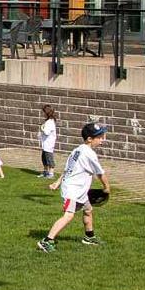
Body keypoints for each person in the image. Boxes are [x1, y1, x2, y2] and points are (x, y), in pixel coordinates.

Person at [37, 123, 112, 252]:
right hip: (72, 190)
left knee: (88, 210)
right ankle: (47, 240)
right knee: (69, 215)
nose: (102, 140)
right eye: (99, 137)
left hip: (79, 190)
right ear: (89, 139)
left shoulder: (77, 150)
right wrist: (107, 187)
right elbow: (100, 174)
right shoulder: (89, 154)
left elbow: (68, 169)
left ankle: (89, 237)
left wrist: (57, 182)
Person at [39, 105, 59, 179]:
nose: (43, 114)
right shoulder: (47, 121)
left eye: (44, 112)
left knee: (49, 158)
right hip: (45, 143)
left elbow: (47, 132)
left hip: (49, 144)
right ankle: (45, 171)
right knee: (44, 158)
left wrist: (42, 128)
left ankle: (51, 173)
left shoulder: (50, 122)